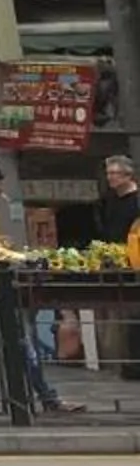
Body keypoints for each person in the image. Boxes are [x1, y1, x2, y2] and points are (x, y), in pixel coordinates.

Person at [0, 161, 78, 416]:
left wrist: (0, 243)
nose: (0, 190)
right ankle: (47, 398)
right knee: (22, 344)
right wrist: (23, 257)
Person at [99, 155, 140, 379]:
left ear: (127, 175)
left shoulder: (137, 200)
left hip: (135, 261)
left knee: (134, 315)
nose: (110, 178)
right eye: (108, 174)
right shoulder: (110, 200)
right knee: (124, 315)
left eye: (114, 174)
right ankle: (129, 363)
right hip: (116, 261)